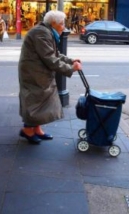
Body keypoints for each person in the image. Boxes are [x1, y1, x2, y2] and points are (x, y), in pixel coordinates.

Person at [18, 10, 82, 144]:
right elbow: (50, 58)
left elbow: (55, 53)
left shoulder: (47, 32)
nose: (64, 27)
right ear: (53, 23)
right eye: (62, 24)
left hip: (37, 71)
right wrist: (70, 69)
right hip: (33, 72)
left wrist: (70, 60)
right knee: (34, 99)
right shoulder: (41, 33)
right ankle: (27, 130)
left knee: (41, 99)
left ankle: (37, 128)